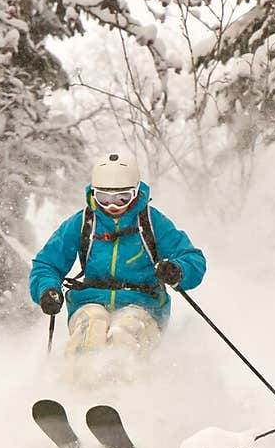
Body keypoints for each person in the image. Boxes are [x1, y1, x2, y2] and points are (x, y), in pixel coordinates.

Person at [29, 152, 206, 381]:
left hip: (143, 305)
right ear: (93, 194)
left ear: (135, 193)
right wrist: (47, 289)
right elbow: (46, 263)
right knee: (90, 327)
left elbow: (193, 258)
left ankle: (121, 399)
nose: (112, 206)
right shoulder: (84, 222)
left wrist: (177, 270)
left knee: (124, 331)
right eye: (103, 198)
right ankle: (76, 395)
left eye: (122, 198)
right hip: (91, 301)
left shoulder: (151, 222)